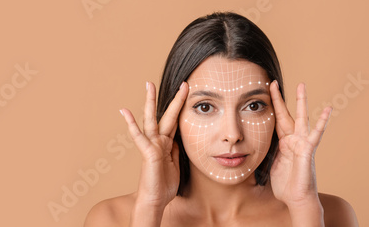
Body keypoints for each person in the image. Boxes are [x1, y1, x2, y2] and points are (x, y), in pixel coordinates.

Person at [84, 12, 358, 227]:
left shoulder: (330, 215)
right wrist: (150, 207)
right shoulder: (110, 220)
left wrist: (303, 207)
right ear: (174, 115)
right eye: (205, 107)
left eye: (253, 105)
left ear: (277, 112)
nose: (232, 134)